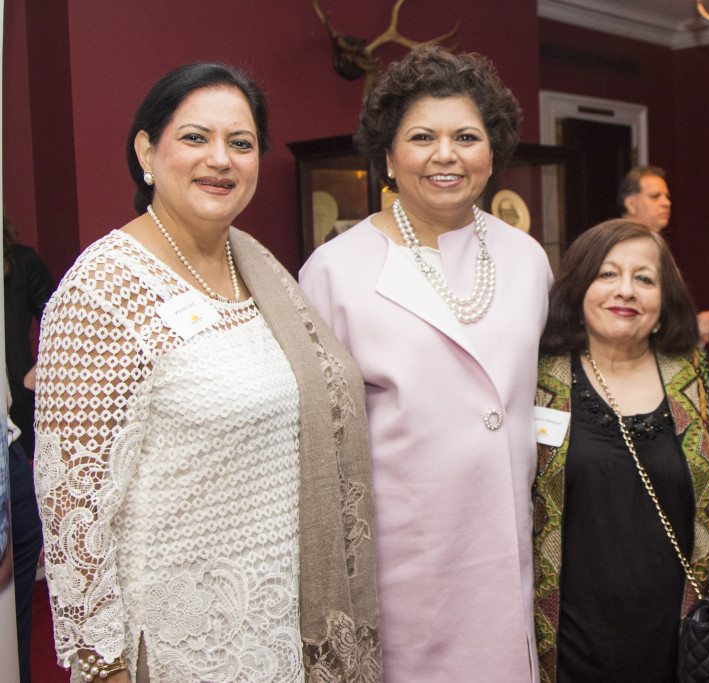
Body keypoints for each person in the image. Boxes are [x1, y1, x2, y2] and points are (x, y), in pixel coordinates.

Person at [33, 62, 380, 682]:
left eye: (240, 143)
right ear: (146, 148)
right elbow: (72, 505)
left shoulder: (262, 269)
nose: (220, 159)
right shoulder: (105, 288)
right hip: (180, 642)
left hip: (278, 621)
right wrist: (102, 667)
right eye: (195, 137)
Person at [299, 46, 550, 681]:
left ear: (492, 152)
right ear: (387, 154)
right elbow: (317, 439)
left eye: (467, 136)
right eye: (422, 137)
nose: (447, 154)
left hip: (506, 544)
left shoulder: (527, 259)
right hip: (405, 560)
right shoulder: (335, 270)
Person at [532, 219, 709, 681]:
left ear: (664, 304)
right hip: (568, 639)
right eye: (606, 274)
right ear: (578, 288)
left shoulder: (694, 380)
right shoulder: (537, 380)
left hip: (678, 636)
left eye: (644, 279)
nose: (625, 290)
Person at [3, 215, 55, 682]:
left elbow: (58, 316)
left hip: (15, 428)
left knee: (19, 556)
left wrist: (38, 372)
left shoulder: (19, 265)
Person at [618, 166, 709, 343]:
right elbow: (632, 318)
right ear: (631, 204)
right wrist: (695, 326)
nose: (666, 203)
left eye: (667, 197)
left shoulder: (653, 244)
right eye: (655, 196)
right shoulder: (621, 248)